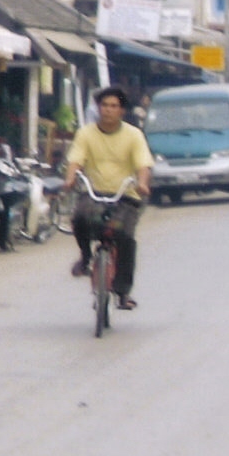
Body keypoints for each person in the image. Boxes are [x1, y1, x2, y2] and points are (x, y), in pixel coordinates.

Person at [63, 86, 153, 311]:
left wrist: (142, 183)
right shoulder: (86, 133)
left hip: (125, 196)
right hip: (94, 194)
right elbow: (75, 160)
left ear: (122, 110)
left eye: (114, 106)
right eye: (104, 105)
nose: (108, 110)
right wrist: (70, 178)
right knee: (80, 218)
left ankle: (123, 292)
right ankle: (85, 259)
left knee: (124, 236)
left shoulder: (134, 135)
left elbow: (143, 164)